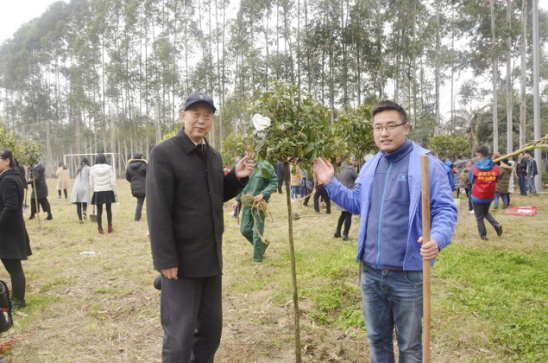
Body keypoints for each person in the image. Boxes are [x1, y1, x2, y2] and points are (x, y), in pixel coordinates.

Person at [313, 100, 457, 362]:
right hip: (371, 273)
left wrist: (438, 238)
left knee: (411, 346)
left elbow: (445, 211)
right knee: (377, 340)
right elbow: (356, 204)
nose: (384, 133)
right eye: (378, 127)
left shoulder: (426, 164)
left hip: (409, 275)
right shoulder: (370, 166)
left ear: (406, 127)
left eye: (391, 126)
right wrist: (330, 183)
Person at [146, 92, 254, 363]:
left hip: (210, 260)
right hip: (180, 263)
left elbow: (212, 196)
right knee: (179, 337)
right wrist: (165, 260)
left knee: (210, 331)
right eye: (195, 114)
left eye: (207, 116)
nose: (201, 121)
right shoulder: (164, 154)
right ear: (183, 116)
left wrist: (235, 178)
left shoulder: (213, 155)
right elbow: (157, 211)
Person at [0, 149, 32, 310]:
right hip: (11, 228)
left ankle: (19, 301)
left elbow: (11, 207)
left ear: (7, 161)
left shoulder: (7, 180)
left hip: (8, 231)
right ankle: (17, 298)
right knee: (13, 267)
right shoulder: (12, 176)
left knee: (13, 267)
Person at [233, 159, 277, 262]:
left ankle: (257, 258)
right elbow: (243, 186)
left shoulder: (266, 165)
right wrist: (237, 199)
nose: (249, 153)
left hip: (259, 205)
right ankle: (262, 245)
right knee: (244, 230)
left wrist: (263, 193)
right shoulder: (245, 166)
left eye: (251, 149)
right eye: (247, 149)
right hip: (247, 203)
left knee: (257, 233)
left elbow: (273, 182)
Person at [469, 146, 503, 240]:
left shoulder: (474, 167)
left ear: (479, 155)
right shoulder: (496, 167)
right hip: (489, 195)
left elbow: (471, 180)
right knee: (485, 212)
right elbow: (497, 180)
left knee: (479, 216)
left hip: (477, 196)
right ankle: (496, 224)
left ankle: (483, 235)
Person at [90, 154, 118, 234]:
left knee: (99, 211)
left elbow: (91, 183)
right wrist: (115, 192)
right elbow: (112, 182)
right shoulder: (109, 168)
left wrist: (94, 190)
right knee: (109, 210)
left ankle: (100, 229)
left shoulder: (92, 169)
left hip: (98, 191)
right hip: (108, 190)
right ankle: (109, 227)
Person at [333, 156, 358, 241]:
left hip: (340, 193)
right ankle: (345, 234)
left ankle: (337, 232)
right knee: (348, 215)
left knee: (343, 214)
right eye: (352, 159)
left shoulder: (338, 169)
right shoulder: (351, 169)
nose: (353, 160)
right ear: (348, 160)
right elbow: (358, 179)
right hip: (349, 194)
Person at [126, 153, 148, 222]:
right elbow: (149, 175)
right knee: (150, 202)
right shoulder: (144, 165)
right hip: (146, 187)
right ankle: (152, 217)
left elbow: (127, 177)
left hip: (135, 188)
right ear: (141, 158)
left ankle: (137, 218)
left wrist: (133, 182)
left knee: (139, 203)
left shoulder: (129, 167)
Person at [70, 157, 91, 224]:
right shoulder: (88, 168)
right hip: (85, 187)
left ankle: (80, 219)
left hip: (77, 188)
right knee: (84, 201)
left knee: (78, 204)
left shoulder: (78, 169)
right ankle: (84, 211)